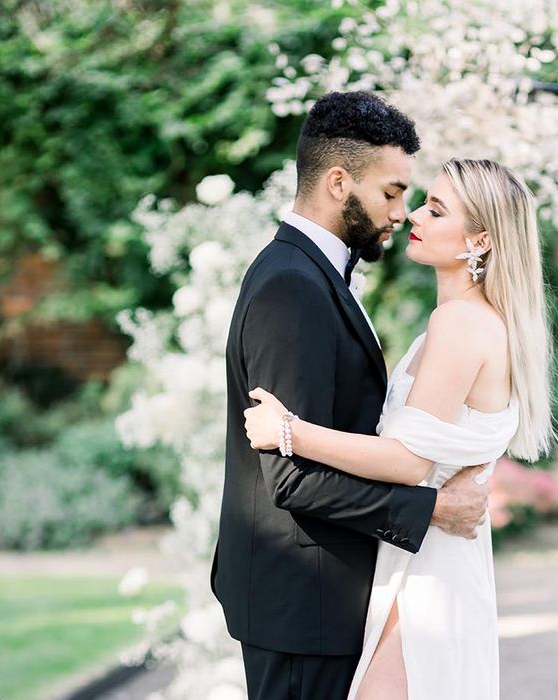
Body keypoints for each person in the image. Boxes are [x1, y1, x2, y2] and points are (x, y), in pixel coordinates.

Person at [209, 91, 491, 700]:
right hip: (302, 602)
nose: (402, 211)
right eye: (391, 192)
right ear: (339, 182)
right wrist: (433, 510)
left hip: (319, 597)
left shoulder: (315, 274)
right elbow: (289, 477)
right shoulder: (293, 286)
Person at [245, 157, 556, 699]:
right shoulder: (473, 320)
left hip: (429, 576)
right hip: (429, 558)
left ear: (480, 241)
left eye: (436, 210)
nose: (414, 213)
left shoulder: (459, 323)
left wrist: (289, 431)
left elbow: (408, 460)